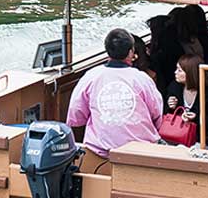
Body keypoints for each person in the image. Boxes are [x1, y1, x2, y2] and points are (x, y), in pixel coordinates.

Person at [65, 28, 163, 172]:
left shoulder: (91, 76)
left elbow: (75, 116)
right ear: (131, 52)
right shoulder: (142, 79)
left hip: (99, 151)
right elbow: (157, 114)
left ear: (107, 51)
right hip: (140, 152)